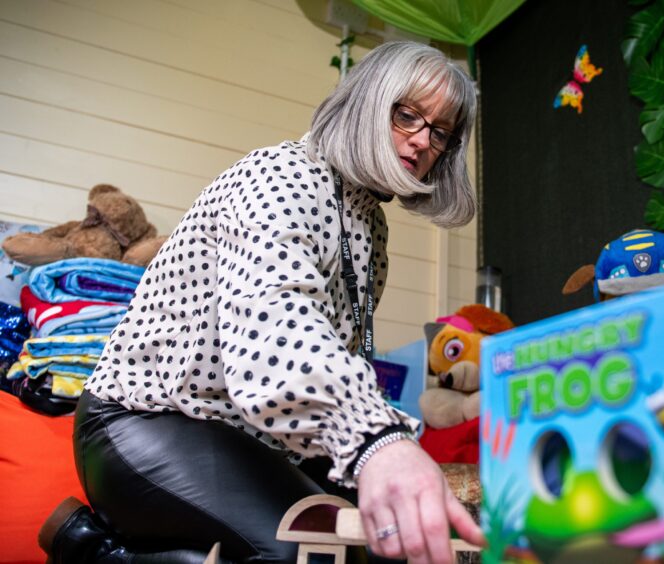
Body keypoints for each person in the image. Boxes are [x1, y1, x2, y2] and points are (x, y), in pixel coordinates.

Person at [39, 41, 484, 563]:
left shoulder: (369, 225)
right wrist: (379, 442)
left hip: (250, 436)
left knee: (382, 547)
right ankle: (101, 555)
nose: (420, 141)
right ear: (367, 102)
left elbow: (337, 355)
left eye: (439, 132)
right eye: (406, 115)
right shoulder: (280, 176)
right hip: (145, 420)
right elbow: (277, 330)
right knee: (315, 554)